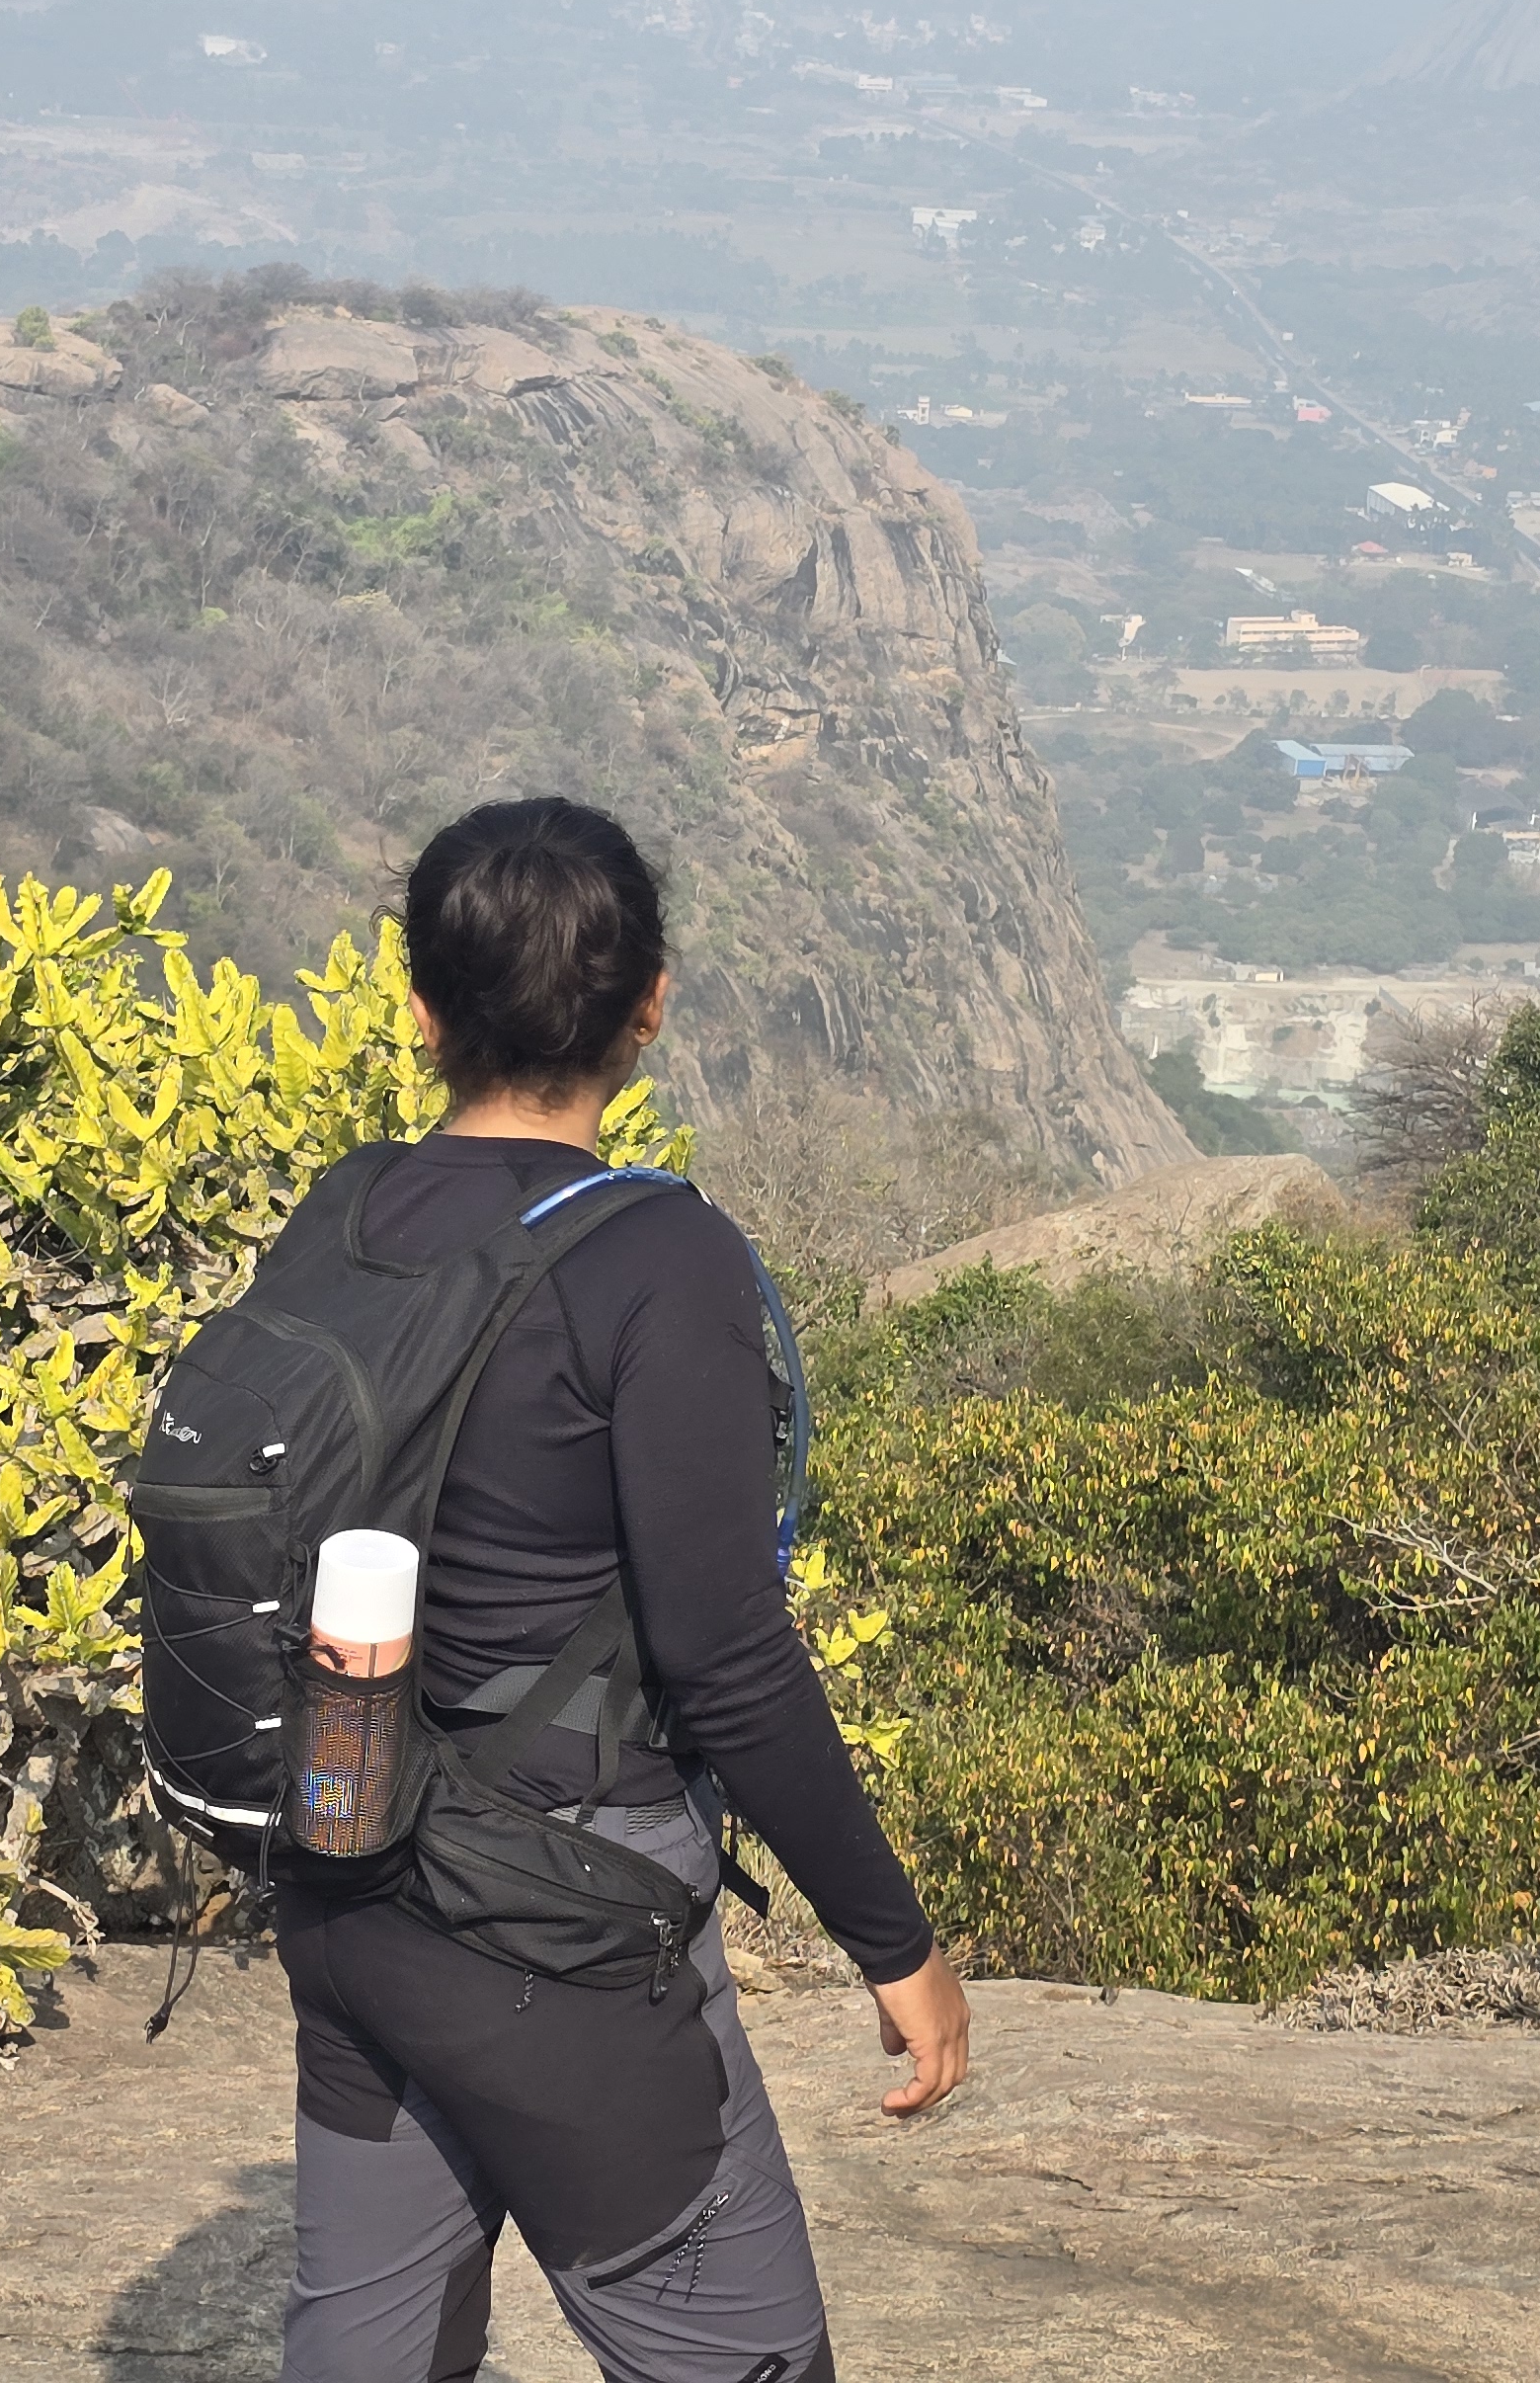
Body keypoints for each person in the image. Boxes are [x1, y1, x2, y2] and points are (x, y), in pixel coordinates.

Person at [277, 795, 970, 2383]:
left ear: (422, 1009)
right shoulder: (661, 1261)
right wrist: (895, 1946)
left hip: (349, 1864)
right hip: (565, 1923)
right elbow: (726, 1658)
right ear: (650, 1006)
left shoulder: (348, 1214)